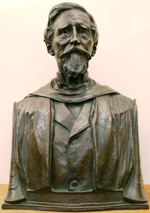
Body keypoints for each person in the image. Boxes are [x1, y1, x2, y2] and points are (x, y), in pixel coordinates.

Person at [3, 2, 148, 211]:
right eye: (64, 32)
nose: (74, 39)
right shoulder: (25, 110)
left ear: (93, 45)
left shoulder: (124, 109)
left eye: (82, 32)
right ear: (49, 44)